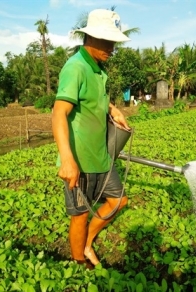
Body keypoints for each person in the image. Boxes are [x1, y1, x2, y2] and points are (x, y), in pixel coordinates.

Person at [52, 9, 131, 268]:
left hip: (101, 155)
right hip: (80, 159)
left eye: (114, 42)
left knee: (119, 201)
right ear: (91, 38)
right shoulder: (75, 67)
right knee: (80, 215)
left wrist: (112, 109)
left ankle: (87, 242)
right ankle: (78, 261)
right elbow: (58, 113)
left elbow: (93, 100)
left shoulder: (98, 69)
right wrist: (67, 160)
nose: (112, 48)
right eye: (107, 41)